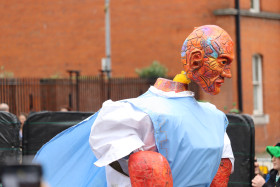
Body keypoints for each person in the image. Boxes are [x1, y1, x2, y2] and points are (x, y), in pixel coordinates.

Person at [35, 25, 234, 186]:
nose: (228, 73)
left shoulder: (214, 119)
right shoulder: (136, 115)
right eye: (223, 62)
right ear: (195, 60)